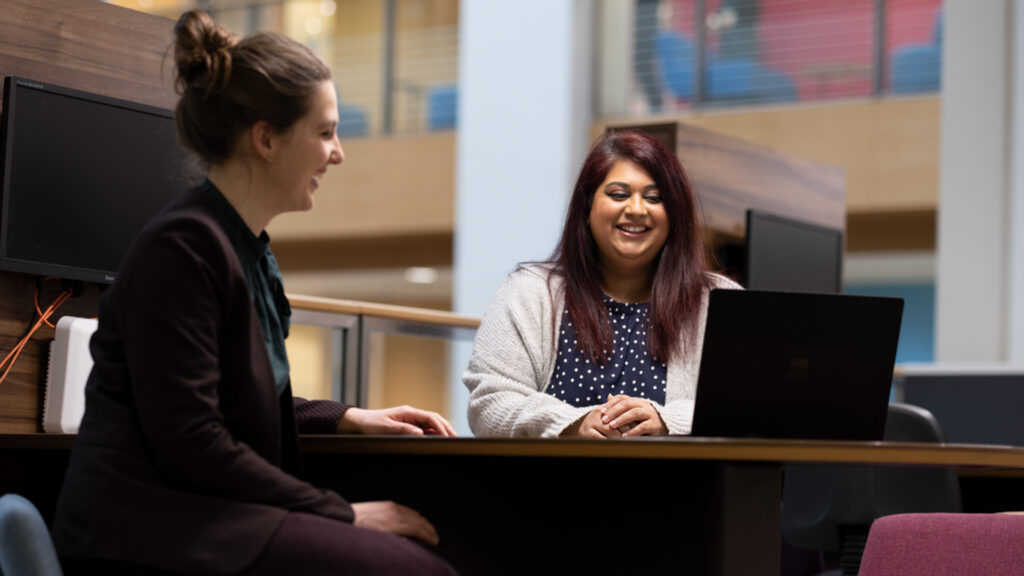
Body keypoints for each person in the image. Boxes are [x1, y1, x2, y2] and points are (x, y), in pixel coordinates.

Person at [51, 10, 457, 576]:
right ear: (265, 138)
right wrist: (343, 514)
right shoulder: (184, 247)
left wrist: (347, 416)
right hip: (147, 535)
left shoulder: (241, 248)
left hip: (206, 518)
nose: (337, 153)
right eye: (324, 132)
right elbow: (193, 440)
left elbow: (232, 401)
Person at [463, 130, 741, 438]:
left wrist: (666, 420)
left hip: (682, 486)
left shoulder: (721, 301)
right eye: (619, 194)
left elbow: (749, 405)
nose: (636, 209)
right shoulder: (529, 293)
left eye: (654, 197)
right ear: (587, 208)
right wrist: (572, 424)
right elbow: (488, 404)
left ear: (674, 214)